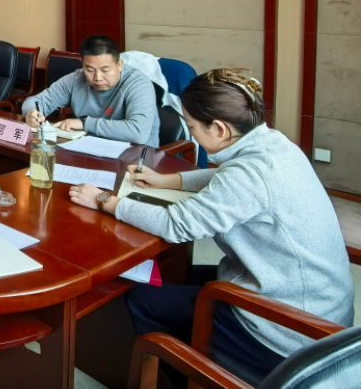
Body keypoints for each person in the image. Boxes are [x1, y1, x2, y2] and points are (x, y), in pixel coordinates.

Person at [68, 70, 354, 386]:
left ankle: (193, 374)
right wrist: (168, 180)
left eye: (192, 127)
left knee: (142, 298)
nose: (191, 133)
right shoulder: (274, 144)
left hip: (287, 329)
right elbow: (226, 177)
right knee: (174, 273)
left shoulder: (248, 176)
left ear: (218, 128)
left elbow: (176, 224)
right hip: (317, 306)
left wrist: (105, 201)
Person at [21, 35, 159, 148]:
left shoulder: (138, 84)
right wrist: (31, 113)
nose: (98, 78)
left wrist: (84, 123)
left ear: (119, 65)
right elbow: (34, 101)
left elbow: (138, 132)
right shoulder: (76, 79)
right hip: (89, 150)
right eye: (90, 70)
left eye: (105, 70)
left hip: (136, 157)